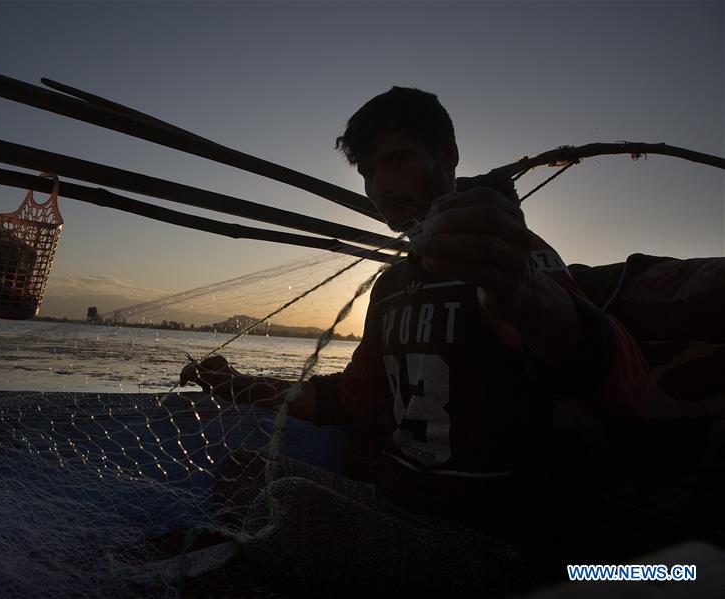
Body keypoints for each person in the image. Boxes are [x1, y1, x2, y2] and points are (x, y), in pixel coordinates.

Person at [180, 87, 651, 594]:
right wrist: (238, 384)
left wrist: (521, 294)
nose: (380, 187)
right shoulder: (390, 286)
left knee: (291, 508)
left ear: (446, 156)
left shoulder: (512, 259)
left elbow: (621, 377)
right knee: (244, 470)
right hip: (392, 507)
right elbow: (349, 398)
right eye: (368, 172)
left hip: (487, 542)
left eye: (398, 160)